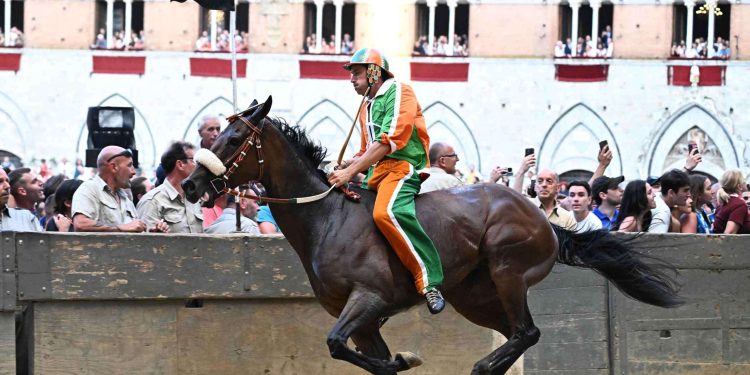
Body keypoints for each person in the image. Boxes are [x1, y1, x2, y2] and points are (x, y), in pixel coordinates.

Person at [328, 47, 445, 314]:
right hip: (376, 174)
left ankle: (429, 282)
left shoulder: (399, 91)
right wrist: (347, 163)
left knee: (386, 213)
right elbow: (366, 148)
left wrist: (348, 173)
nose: (351, 79)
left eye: (356, 73)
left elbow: (389, 141)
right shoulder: (365, 106)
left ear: (373, 73)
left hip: (402, 167)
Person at [71, 147, 157, 233]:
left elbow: (133, 229)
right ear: (113, 167)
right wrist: (121, 228)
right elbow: (80, 225)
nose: (133, 171)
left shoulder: (125, 198)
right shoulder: (89, 189)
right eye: (129, 165)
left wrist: (153, 233)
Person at [137, 141, 203, 233]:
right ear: (180, 164)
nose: (198, 165)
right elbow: (144, 241)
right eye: (194, 160)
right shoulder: (152, 201)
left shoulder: (193, 198)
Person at [648, 169, 692, 233]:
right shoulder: (663, 211)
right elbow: (655, 241)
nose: (689, 195)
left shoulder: (657, 197)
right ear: (671, 193)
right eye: (685, 190)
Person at [713, 170, 750, 234]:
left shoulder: (724, 201)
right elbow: (730, 234)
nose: (746, 184)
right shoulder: (739, 204)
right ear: (739, 186)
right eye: (744, 182)